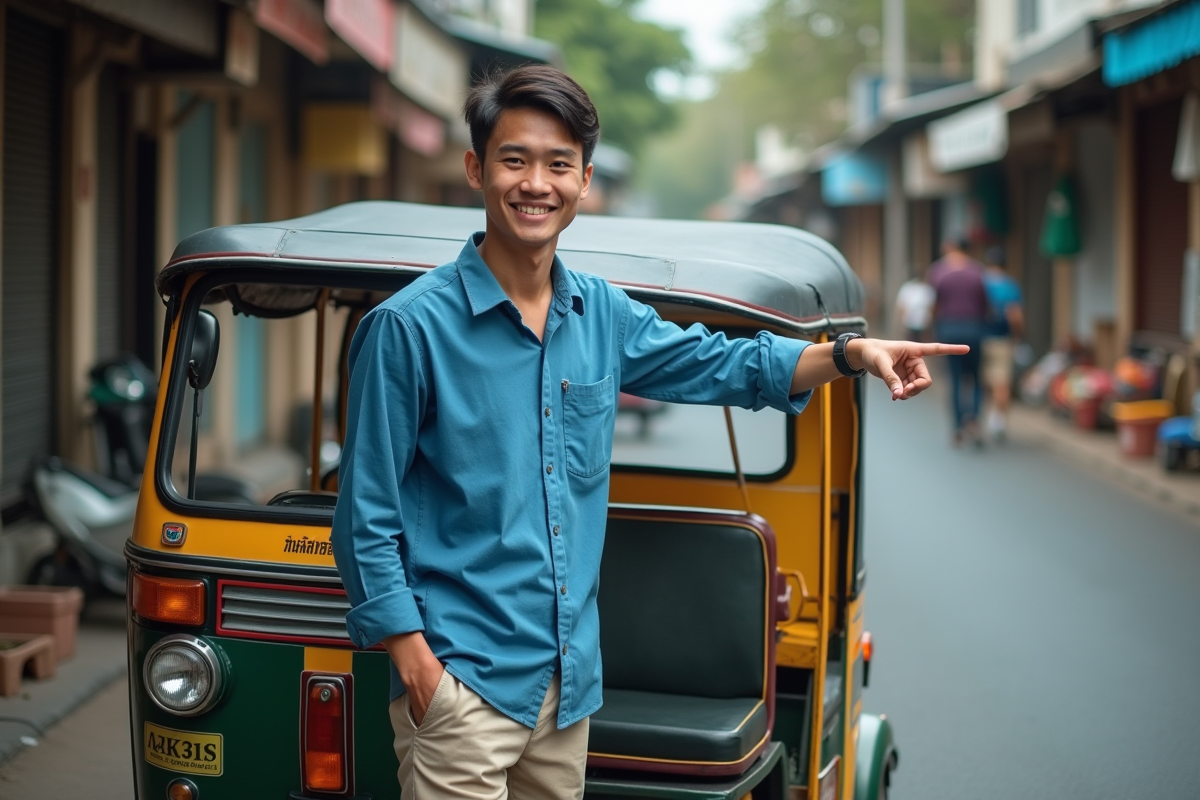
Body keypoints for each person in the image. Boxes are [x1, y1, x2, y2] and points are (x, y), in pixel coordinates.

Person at [330, 64, 966, 800]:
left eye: (558, 165)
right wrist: (416, 664)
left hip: (568, 687)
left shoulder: (599, 313)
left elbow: (719, 362)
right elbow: (365, 513)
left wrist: (852, 354)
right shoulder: (409, 328)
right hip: (462, 680)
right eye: (515, 159)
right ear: (476, 169)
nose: (536, 182)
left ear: (584, 182)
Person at [928, 237, 989, 445]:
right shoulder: (978, 271)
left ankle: (957, 428)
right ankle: (972, 418)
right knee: (974, 379)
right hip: (974, 330)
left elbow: (935, 305)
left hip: (949, 330)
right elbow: (984, 304)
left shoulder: (938, 271)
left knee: (954, 380)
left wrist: (933, 329)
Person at [981, 246, 1024, 440]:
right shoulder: (1010, 286)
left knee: (985, 380)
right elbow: (1015, 315)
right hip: (1001, 339)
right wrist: (1018, 336)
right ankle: (999, 420)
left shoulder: (980, 283)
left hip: (979, 337)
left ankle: (989, 415)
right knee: (1002, 381)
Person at [894, 270, 936, 341]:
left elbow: (932, 307)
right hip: (913, 321)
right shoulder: (908, 288)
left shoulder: (926, 289)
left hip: (921, 321)